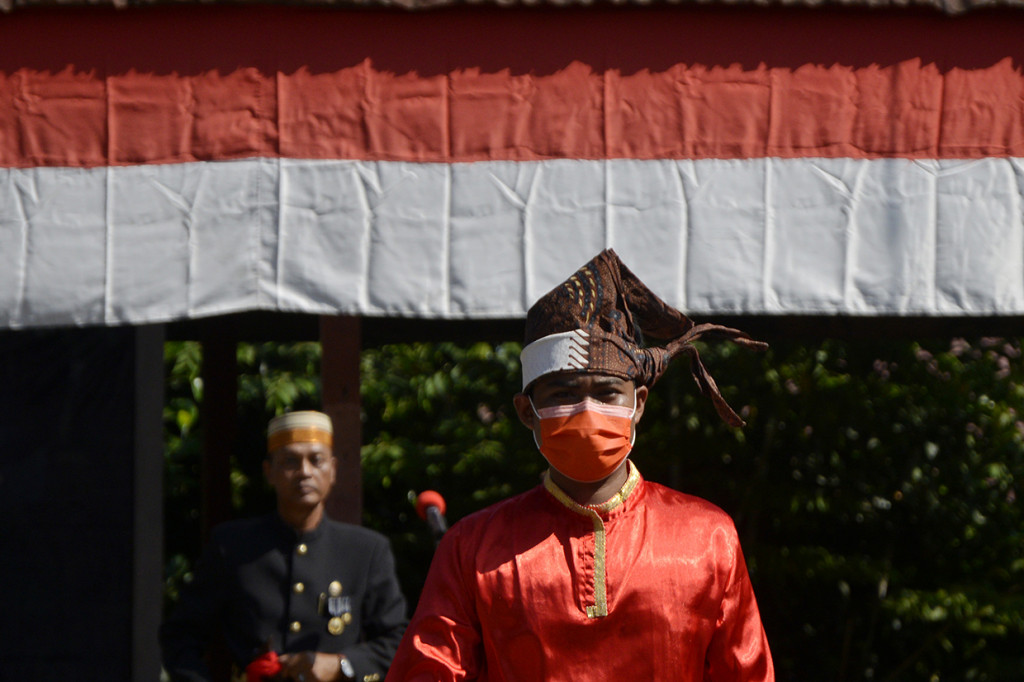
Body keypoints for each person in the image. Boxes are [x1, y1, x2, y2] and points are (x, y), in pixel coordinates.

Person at [385, 249, 774, 681]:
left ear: (638, 404)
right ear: (526, 411)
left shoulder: (708, 536)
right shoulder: (472, 548)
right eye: (562, 394)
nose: (587, 410)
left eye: (607, 394)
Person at [161, 410, 408, 682]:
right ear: (269, 472)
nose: (304, 472)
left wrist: (342, 665)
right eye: (291, 461)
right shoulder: (232, 546)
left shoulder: (366, 550)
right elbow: (180, 634)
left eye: (316, 460)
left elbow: (398, 640)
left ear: (333, 470)